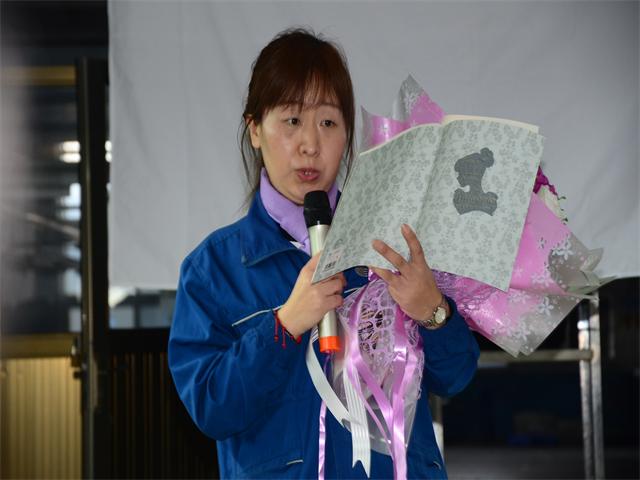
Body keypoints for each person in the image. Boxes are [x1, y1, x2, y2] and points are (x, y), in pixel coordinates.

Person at [168, 28, 479, 479]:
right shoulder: (212, 270)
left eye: (328, 123)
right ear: (255, 129)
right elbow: (213, 408)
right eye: (292, 120)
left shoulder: (392, 246)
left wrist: (433, 311)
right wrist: (285, 325)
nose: (310, 144)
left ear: (348, 134)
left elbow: (455, 377)